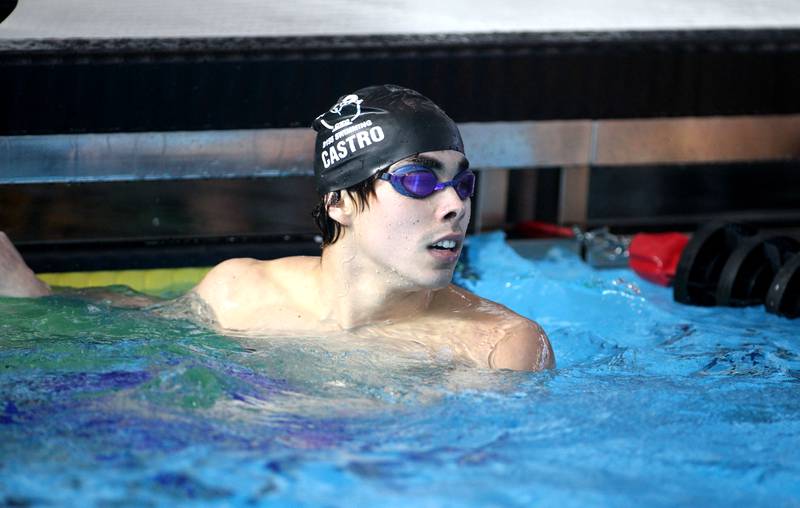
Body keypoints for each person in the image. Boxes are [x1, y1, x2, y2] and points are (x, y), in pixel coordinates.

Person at [0, 84, 554, 371]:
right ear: (340, 202)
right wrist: (35, 296)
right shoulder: (239, 290)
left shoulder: (498, 348)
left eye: (462, 183)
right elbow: (130, 325)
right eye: (417, 180)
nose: (454, 205)